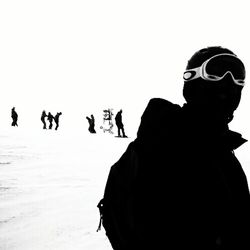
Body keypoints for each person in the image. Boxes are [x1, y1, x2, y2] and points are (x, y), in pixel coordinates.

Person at [100, 46, 250, 249]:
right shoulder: (167, 145)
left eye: (238, 77)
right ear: (191, 81)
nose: (228, 81)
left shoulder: (219, 148)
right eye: (216, 72)